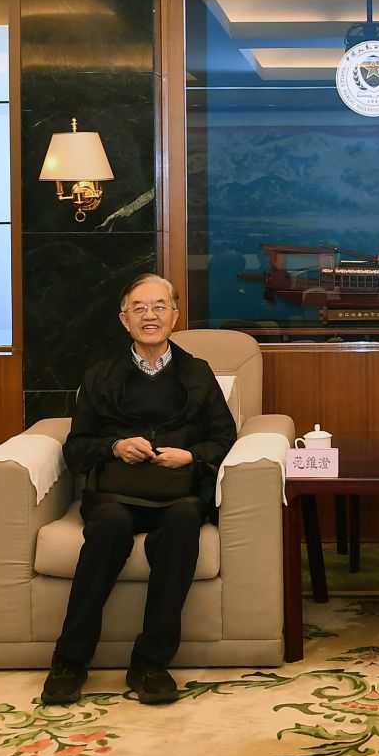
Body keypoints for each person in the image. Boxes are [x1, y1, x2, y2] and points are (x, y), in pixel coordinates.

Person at [41, 273, 238, 707]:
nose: (150, 316)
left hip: (179, 491)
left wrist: (190, 456)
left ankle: (150, 663)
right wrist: (114, 446)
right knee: (109, 527)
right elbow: (76, 447)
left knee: (184, 523)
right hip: (115, 491)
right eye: (140, 308)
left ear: (175, 316)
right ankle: (70, 661)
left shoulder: (198, 374)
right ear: (124, 319)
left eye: (160, 307)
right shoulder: (100, 375)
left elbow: (225, 438)